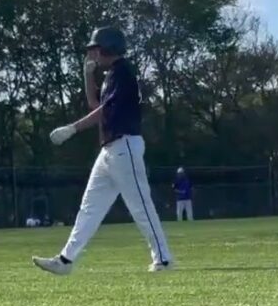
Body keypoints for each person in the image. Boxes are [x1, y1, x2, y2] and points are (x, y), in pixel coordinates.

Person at [32, 26, 173, 274]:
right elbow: (94, 104)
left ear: (108, 47)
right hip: (109, 150)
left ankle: (163, 259)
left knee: (140, 205)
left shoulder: (123, 72)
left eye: (96, 49)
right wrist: (88, 76)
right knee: (89, 207)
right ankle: (65, 260)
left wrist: (73, 128)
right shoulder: (111, 76)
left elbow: (105, 110)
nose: (93, 54)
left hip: (125, 145)